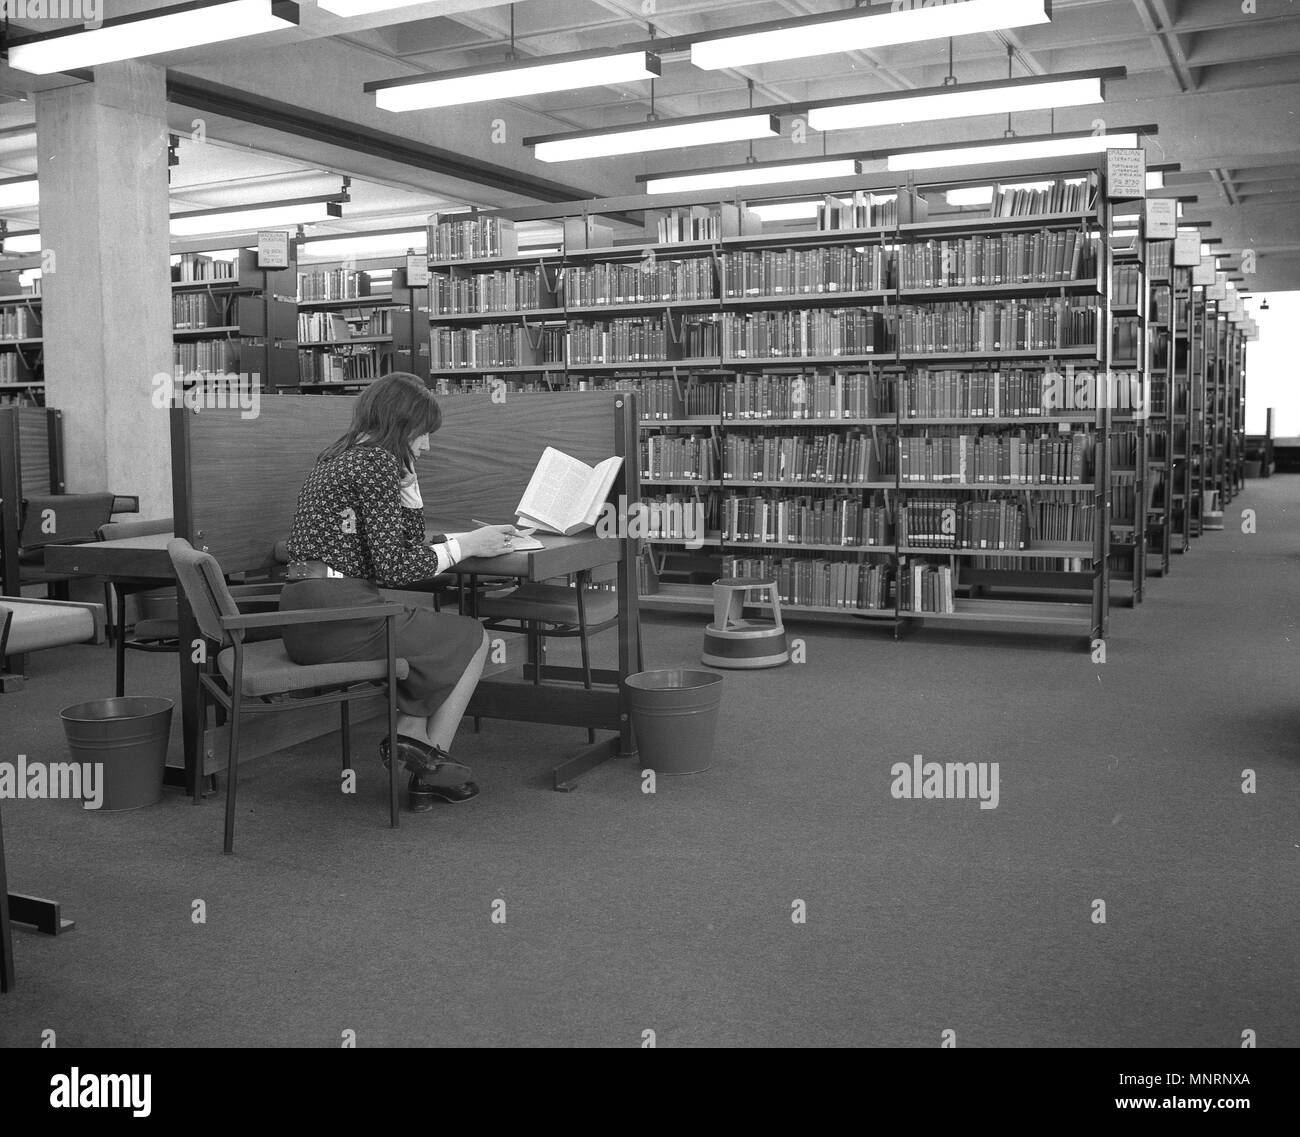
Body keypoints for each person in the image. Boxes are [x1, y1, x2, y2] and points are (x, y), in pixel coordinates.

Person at [279, 372, 517, 808]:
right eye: (423, 435)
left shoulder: (340, 456)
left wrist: (412, 491)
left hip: (305, 612)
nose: (426, 446)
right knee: (473, 636)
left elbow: (399, 546)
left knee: (435, 641)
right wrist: (467, 545)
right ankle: (428, 761)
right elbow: (397, 568)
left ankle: (412, 737)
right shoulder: (374, 464)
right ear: (400, 426)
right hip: (339, 614)